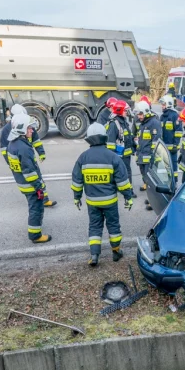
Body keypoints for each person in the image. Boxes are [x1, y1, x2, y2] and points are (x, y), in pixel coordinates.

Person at [71, 123, 135, 265]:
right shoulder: (113, 157)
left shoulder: (83, 158)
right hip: (110, 202)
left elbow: (77, 180)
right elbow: (123, 182)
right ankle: (116, 252)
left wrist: (76, 198)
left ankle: (94, 256)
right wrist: (128, 197)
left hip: (92, 202)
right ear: (104, 137)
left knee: (94, 226)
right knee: (113, 226)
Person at [6, 113, 54, 243]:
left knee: (33, 207)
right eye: (29, 128)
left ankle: (35, 231)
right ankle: (35, 235)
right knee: (36, 209)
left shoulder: (13, 144)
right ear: (21, 129)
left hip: (22, 184)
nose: (32, 130)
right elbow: (29, 172)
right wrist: (39, 188)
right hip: (31, 186)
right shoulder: (23, 148)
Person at [0, 103, 55, 207]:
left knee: (37, 177)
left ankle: (44, 200)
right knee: (28, 181)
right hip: (18, 158)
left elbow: (36, 140)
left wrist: (41, 153)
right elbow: (4, 148)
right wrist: (10, 161)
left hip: (27, 155)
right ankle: (35, 201)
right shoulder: (6, 129)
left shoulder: (26, 125)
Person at [133, 101, 162, 203]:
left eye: (140, 114)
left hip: (149, 156)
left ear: (145, 112)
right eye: (138, 114)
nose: (138, 116)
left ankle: (153, 200)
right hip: (142, 155)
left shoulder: (154, 123)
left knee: (151, 178)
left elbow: (156, 142)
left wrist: (153, 157)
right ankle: (149, 194)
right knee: (144, 175)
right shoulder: (143, 122)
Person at [104, 99, 135, 182]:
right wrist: (113, 157)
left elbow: (128, 136)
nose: (127, 112)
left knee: (127, 172)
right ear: (120, 111)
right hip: (119, 155)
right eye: (125, 111)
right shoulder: (114, 124)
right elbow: (110, 143)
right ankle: (126, 190)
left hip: (126, 155)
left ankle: (129, 190)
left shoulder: (123, 121)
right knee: (120, 173)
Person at [159, 95, 182, 170]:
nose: (162, 106)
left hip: (172, 148)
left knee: (173, 166)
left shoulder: (175, 115)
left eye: (163, 104)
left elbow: (178, 132)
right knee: (166, 166)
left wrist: (175, 145)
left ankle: (174, 180)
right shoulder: (162, 116)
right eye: (162, 104)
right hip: (164, 147)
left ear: (168, 104)